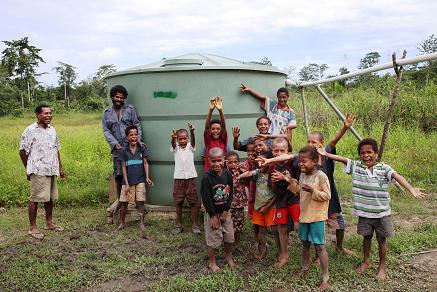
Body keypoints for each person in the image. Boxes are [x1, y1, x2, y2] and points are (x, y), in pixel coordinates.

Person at [317, 138, 427, 280]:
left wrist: (411, 188)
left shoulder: (384, 168)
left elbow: (397, 176)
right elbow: (343, 159)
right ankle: (366, 261)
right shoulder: (357, 168)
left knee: (382, 240)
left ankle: (382, 267)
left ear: (376, 153)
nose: (366, 155)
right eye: (362, 153)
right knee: (366, 238)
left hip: (382, 214)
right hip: (365, 214)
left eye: (369, 152)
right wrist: (326, 154)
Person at [260, 114, 356, 257]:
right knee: (317, 225)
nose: (311, 144)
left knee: (338, 223)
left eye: (314, 142)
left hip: (329, 195)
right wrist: (269, 161)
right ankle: (317, 254)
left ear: (321, 143)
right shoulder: (304, 158)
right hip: (311, 198)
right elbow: (288, 156)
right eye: (308, 141)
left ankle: (340, 246)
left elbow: (334, 140)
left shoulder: (326, 153)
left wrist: (344, 127)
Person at [19, 104, 66, 240]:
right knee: (36, 198)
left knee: (49, 197)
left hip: (51, 168)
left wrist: (60, 167)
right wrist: (28, 168)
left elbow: (56, 149)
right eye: (46, 113)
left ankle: (49, 223)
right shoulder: (30, 130)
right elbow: (22, 151)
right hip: (38, 169)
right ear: (37, 115)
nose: (49, 116)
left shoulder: (52, 130)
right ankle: (33, 228)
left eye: (50, 113)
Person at [102, 85, 143, 215]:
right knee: (119, 175)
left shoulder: (130, 110)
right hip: (118, 149)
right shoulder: (107, 113)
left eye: (121, 97)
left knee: (134, 173)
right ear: (112, 97)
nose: (118, 99)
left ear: (124, 98)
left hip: (130, 148)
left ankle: (136, 201)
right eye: (116, 96)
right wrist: (114, 143)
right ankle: (121, 200)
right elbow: (106, 130)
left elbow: (136, 124)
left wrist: (137, 141)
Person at [296, 146, 331, 291]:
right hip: (304, 215)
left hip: (317, 217)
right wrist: (289, 181)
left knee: (320, 246)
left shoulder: (321, 176)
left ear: (315, 161)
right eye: (300, 161)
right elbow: (299, 192)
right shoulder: (302, 175)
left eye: (304, 161)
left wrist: (313, 190)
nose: (301, 164)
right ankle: (305, 268)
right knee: (305, 244)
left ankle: (325, 277)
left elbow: (327, 195)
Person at [201, 147, 236, 272]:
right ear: (208, 161)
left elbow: (230, 191)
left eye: (219, 160)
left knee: (230, 236)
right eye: (213, 161)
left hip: (225, 212)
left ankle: (228, 256)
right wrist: (212, 216)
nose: (216, 164)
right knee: (213, 237)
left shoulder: (227, 174)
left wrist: (226, 210)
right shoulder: (206, 178)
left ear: (224, 160)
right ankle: (212, 262)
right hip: (213, 213)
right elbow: (206, 198)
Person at [238, 151, 276, 261]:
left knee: (275, 230)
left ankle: (281, 251)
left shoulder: (273, 175)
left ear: (270, 162)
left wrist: (268, 207)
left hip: (271, 207)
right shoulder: (258, 172)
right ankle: (262, 249)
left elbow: (278, 194)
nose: (260, 165)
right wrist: (239, 176)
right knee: (261, 230)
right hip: (258, 207)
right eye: (258, 162)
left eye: (262, 162)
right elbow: (249, 174)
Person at [269, 137, 300, 267]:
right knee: (281, 228)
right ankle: (284, 254)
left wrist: (286, 178)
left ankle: (309, 254)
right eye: (276, 150)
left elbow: (299, 183)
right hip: (281, 201)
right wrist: (275, 182)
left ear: (288, 151)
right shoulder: (272, 166)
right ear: (272, 151)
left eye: (282, 150)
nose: (279, 153)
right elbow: (273, 189)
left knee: (300, 227)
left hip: (294, 199)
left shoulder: (293, 163)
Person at [117, 125, 153, 231]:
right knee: (124, 203)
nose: (134, 137)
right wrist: (127, 183)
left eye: (135, 134)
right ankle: (122, 223)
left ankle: (142, 223)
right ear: (127, 137)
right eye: (131, 135)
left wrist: (147, 177)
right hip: (127, 181)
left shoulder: (142, 148)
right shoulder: (123, 150)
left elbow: (145, 163)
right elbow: (123, 167)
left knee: (141, 202)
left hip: (140, 180)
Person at [170, 123, 201, 234]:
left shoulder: (190, 147)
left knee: (193, 202)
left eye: (185, 138)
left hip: (190, 178)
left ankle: (195, 225)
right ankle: (178, 224)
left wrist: (192, 132)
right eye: (180, 139)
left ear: (187, 139)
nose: (182, 141)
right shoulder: (175, 148)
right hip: (179, 178)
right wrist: (173, 139)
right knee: (178, 202)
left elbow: (193, 141)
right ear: (177, 139)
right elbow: (173, 145)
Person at [225, 151, 247, 251]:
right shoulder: (224, 174)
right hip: (228, 205)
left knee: (239, 225)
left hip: (239, 204)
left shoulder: (241, 173)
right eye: (230, 162)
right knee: (228, 224)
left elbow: (248, 178)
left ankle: (238, 244)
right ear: (226, 163)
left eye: (235, 162)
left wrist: (242, 169)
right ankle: (228, 243)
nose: (233, 164)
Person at [204, 96, 228, 171]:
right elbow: (207, 127)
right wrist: (210, 110)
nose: (215, 131)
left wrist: (220, 111)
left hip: (222, 170)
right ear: (210, 130)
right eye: (213, 129)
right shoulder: (208, 140)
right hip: (210, 170)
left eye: (218, 129)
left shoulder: (223, 139)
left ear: (221, 130)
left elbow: (224, 126)